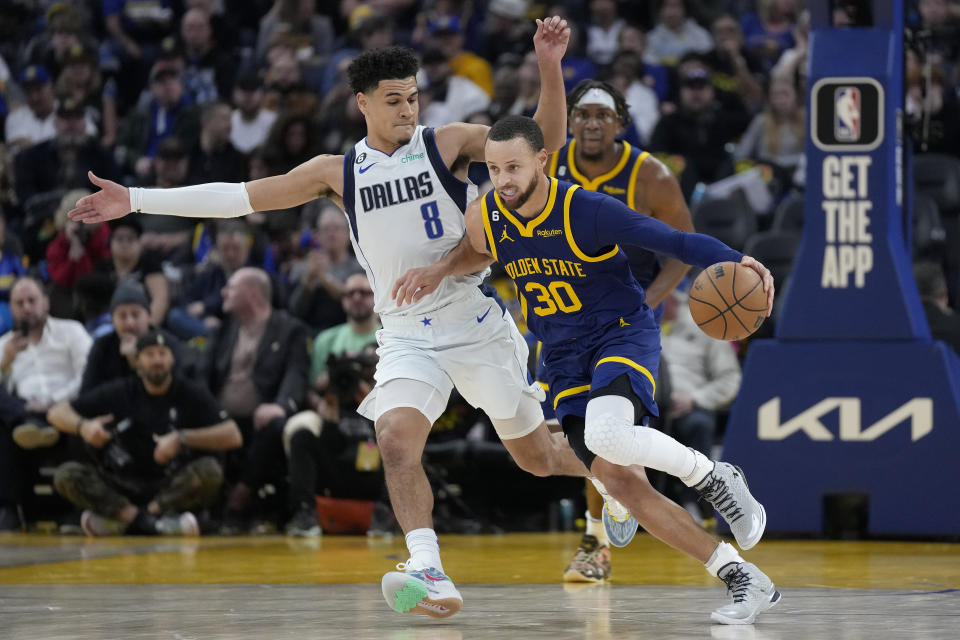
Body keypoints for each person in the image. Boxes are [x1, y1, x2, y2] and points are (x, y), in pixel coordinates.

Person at [69, 18, 611, 620]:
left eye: (413, 97)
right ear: (362, 103)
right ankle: (428, 567)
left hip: (472, 320)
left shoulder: (449, 143)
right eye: (393, 100)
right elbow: (241, 196)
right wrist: (137, 200)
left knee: (535, 458)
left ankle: (618, 473)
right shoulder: (338, 172)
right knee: (395, 439)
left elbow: (544, 147)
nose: (408, 110)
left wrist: (549, 66)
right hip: (405, 333)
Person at [393, 115, 780, 625]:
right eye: (493, 167)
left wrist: (741, 260)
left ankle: (714, 476)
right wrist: (440, 269)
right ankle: (742, 576)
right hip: (562, 356)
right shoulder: (488, 213)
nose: (502, 178)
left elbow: (676, 242)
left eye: (513, 166)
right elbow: (474, 250)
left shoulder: (587, 210)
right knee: (621, 483)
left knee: (606, 434)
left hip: (620, 333)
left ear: (542, 161)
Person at [545, 79, 694, 583]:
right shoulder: (546, 163)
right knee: (582, 429)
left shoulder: (649, 174)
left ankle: (596, 539)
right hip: (566, 314)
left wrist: (650, 304)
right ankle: (615, 497)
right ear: (570, 120)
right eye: (581, 114)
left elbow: (683, 244)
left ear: (620, 124)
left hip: (627, 316)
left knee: (605, 424)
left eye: (601, 115)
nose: (590, 123)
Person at [47, 329, 242, 536]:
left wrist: (181, 439)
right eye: (150, 354)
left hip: (169, 486)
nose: (157, 360)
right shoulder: (119, 391)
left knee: (210, 471)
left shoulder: (190, 392)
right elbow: (56, 413)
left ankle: (133, 520)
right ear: (136, 361)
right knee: (66, 475)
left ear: (172, 359)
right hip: (122, 484)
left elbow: (233, 435)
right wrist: (84, 427)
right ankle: (148, 522)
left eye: (162, 353)